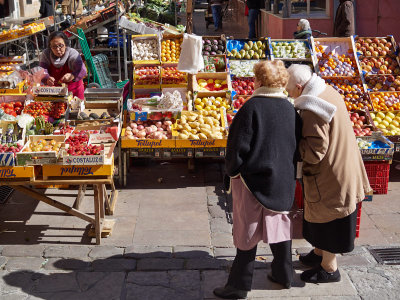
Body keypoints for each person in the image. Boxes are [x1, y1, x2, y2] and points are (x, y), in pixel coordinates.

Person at [213, 60, 302, 299]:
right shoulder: (290, 109)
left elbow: (236, 149)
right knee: (279, 225)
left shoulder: (250, 108)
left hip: (251, 180)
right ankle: (284, 275)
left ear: (260, 81)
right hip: (282, 180)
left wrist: (232, 173)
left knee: (247, 230)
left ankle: (239, 286)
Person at [286, 64, 371, 284]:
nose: (289, 94)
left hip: (331, 174)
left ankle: (329, 269)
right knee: (321, 217)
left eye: (289, 90)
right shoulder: (327, 90)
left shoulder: (314, 108)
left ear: (298, 86)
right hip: (342, 164)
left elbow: (315, 151)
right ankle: (318, 252)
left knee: (330, 216)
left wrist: (292, 147)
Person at [39, 31, 87, 99]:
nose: (58, 50)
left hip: (74, 92)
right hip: (55, 92)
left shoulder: (73, 54)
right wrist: (47, 78)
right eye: (54, 47)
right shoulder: (46, 54)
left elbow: (82, 70)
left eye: (61, 45)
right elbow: (42, 70)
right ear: (50, 47)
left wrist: (72, 75)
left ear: (66, 44)